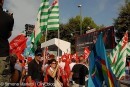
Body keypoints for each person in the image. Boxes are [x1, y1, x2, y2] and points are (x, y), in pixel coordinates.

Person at [0, 0, 14, 83]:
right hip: (2, 55)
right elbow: (8, 35)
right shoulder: (9, 18)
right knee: (3, 82)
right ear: (2, 1)